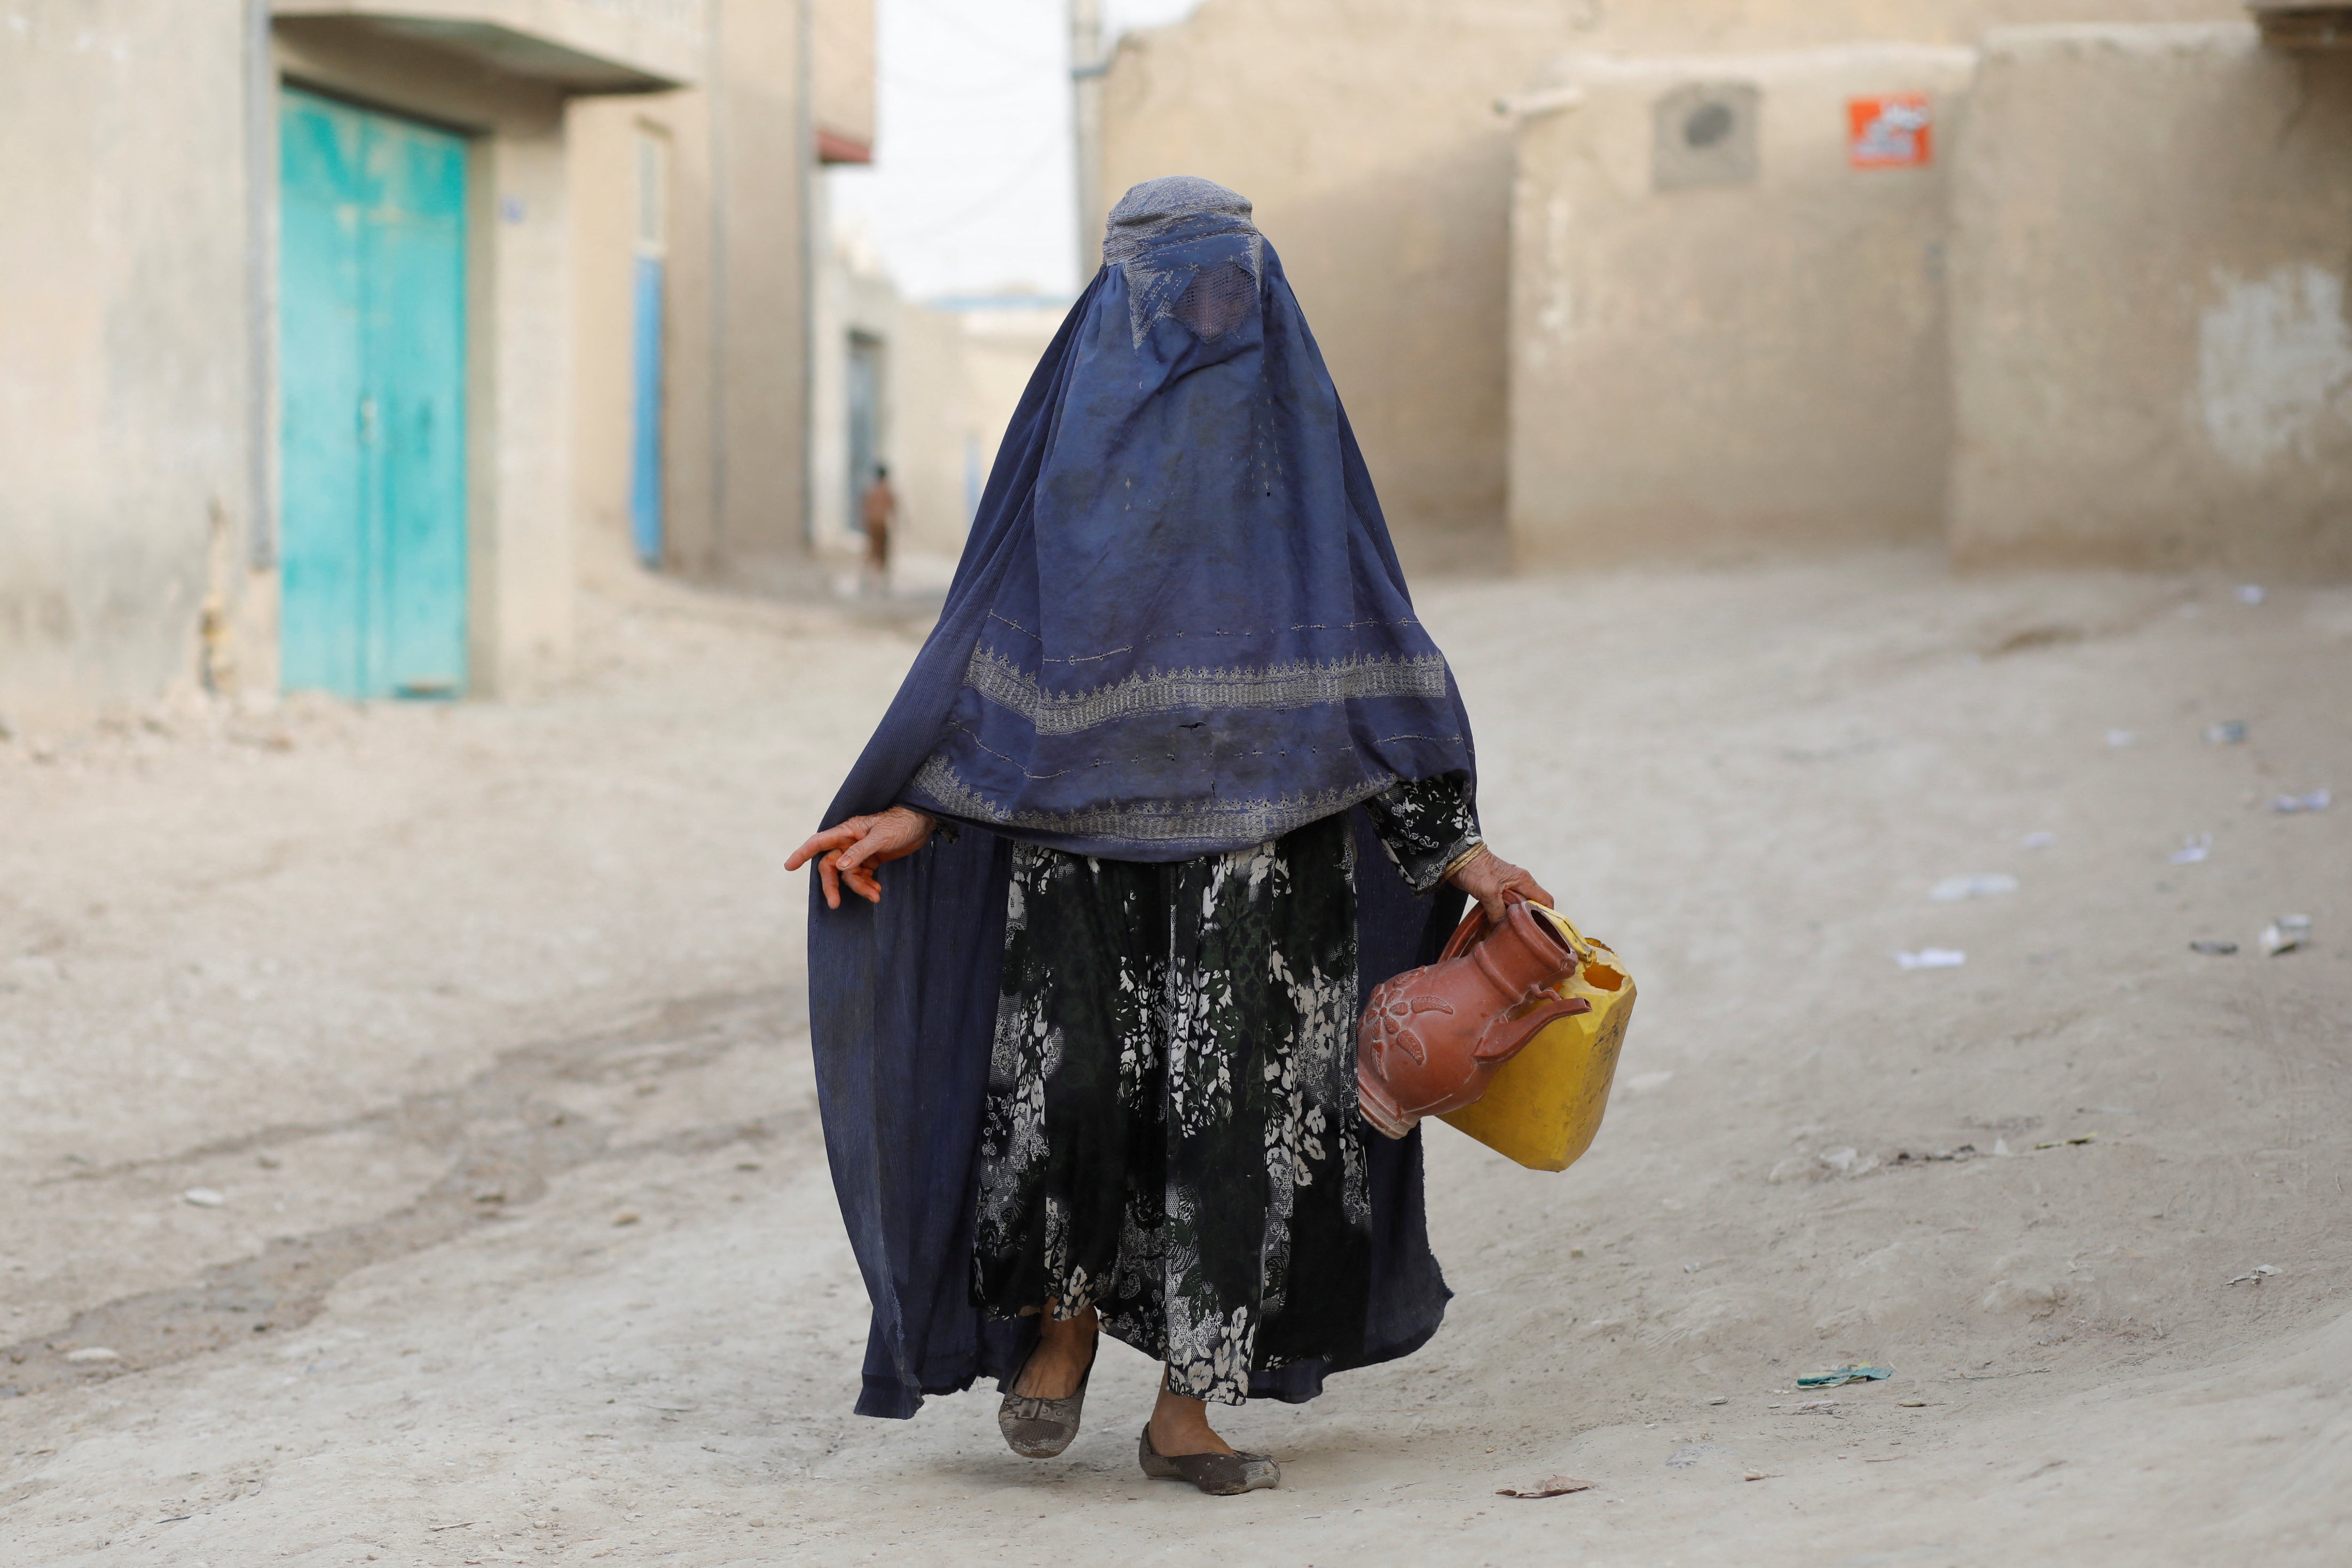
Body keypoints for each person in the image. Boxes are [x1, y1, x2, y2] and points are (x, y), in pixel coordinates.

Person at [787, 176, 1552, 1496]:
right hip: (1080, 852)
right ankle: (1064, 1325)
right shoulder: (1071, 447)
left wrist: (1459, 850)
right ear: (1121, 293)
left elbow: (1368, 656)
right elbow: (997, 643)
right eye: (1179, 284)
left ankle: (1188, 1409)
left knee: (1241, 1122)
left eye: (1230, 284)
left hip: (1271, 855)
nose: (1208, 311)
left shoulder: (1292, 449)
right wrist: (930, 802)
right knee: (1076, 1095)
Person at [859, 464, 895, 594]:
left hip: (872, 524)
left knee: (871, 552)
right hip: (881, 525)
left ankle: (866, 580)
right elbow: (893, 509)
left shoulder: (872, 491)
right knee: (882, 554)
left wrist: (865, 525)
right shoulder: (887, 491)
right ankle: (883, 584)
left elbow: (865, 508)